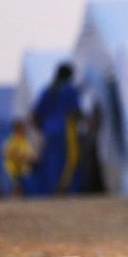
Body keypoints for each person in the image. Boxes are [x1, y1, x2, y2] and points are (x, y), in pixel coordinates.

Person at [32, 63, 81, 195]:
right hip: (66, 130)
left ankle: (52, 190)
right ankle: (67, 189)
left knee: (51, 162)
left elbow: (36, 114)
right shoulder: (69, 90)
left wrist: (41, 128)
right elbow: (75, 112)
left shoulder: (47, 90)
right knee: (70, 160)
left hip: (48, 130)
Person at [3, 119, 36, 197]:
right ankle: (13, 197)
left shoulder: (25, 141)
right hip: (13, 169)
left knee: (21, 187)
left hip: (22, 169)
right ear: (17, 130)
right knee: (16, 186)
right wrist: (20, 157)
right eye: (22, 129)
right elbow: (8, 154)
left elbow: (30, 154)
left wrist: (29, 157)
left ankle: (18, 197)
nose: (24, 131)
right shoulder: (12, 141)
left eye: (24, 129)